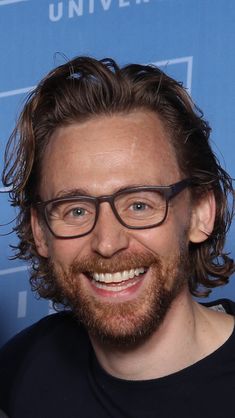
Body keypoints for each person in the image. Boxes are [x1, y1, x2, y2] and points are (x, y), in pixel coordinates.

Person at [0, 56, 234, 418]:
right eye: (76, 210)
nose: (108, 243)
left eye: (139, 205)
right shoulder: (21, 372)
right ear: (40, 231)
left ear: (201, 212)